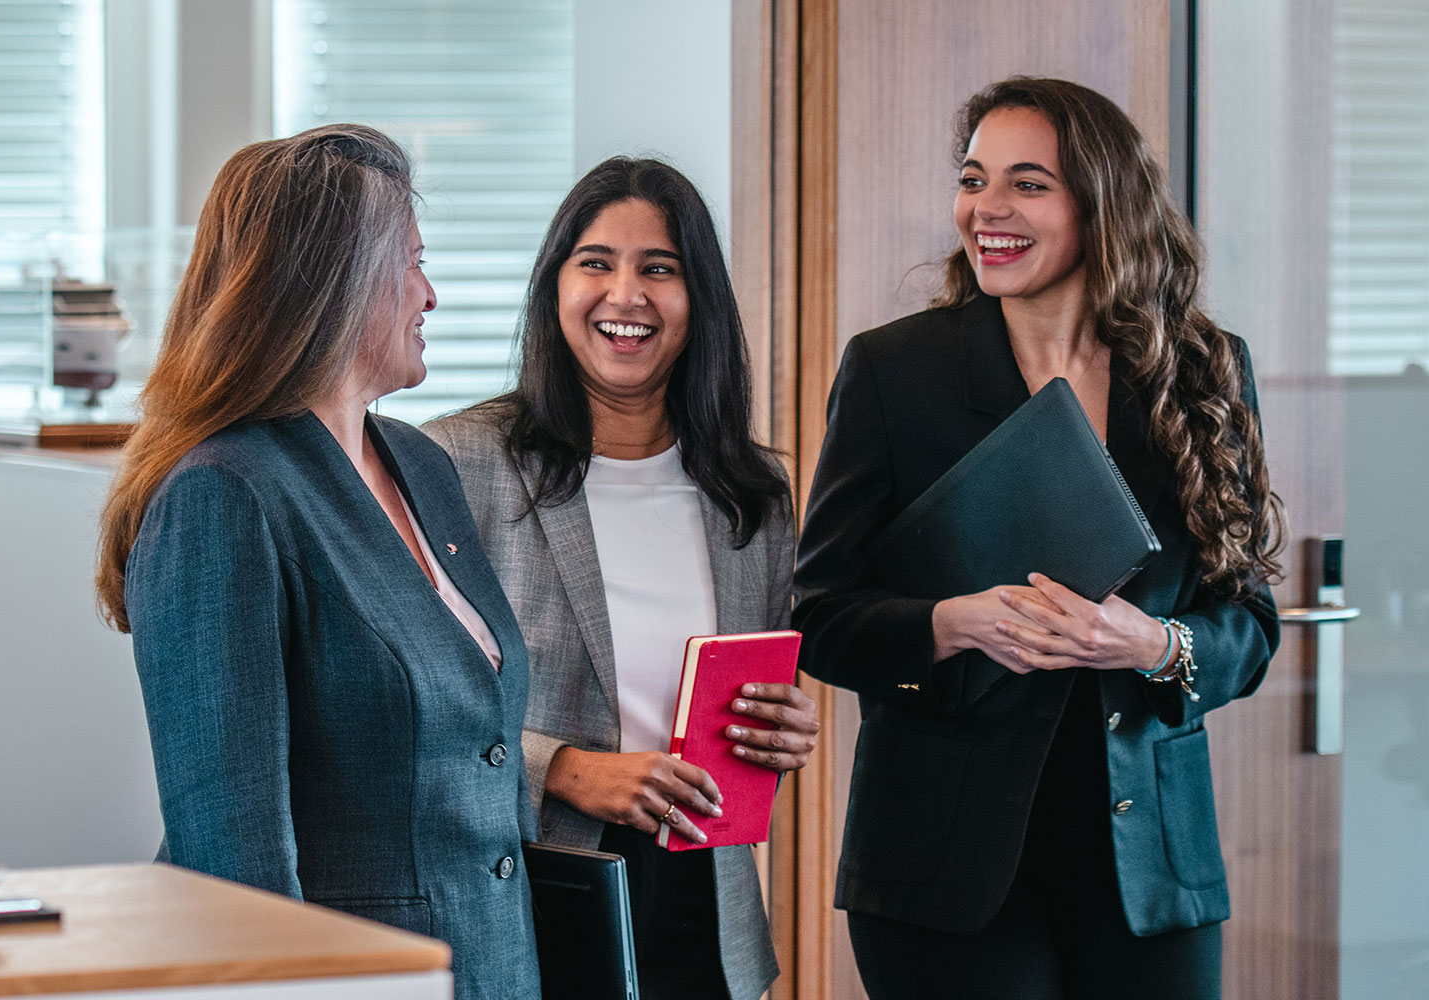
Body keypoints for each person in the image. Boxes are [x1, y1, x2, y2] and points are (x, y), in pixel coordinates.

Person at [791, 77, 1285, 999]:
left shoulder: (1203, 368)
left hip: (1151, 872)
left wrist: (1151, 643)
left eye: (1027, 183)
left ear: (1101, 204)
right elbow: (820, 616)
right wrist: (956, 622)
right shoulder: (895, 372)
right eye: (974, 179)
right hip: (945, 871)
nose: (988, 209)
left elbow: (1249, 626)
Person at [95, 124, 541, 1000]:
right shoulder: (223, 493)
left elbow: (481, 758)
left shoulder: (422, 465)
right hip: (349, 982)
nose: (431, 292)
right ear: (336, 281)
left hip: (494, 971)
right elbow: (232, 851)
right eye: (412, 260)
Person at [424, 157, 820, 1000]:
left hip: (703, 906)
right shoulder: (460, 464)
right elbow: (414, 709)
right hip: (528, 893)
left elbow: (733, 709)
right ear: (554, 286)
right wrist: (564, 768)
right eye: (596, 263)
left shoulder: (751, 495)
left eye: (660, 269)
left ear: (698, 299)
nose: (626, 295)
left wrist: (776, 736)